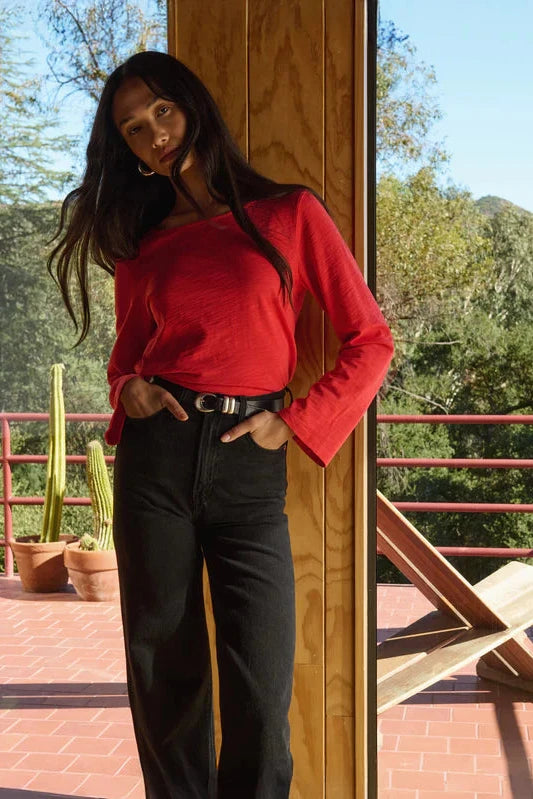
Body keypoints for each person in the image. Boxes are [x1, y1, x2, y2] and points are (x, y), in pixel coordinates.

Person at [47, 50, 394, 799]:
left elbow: (370, 340)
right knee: (164, 672)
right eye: (133, 130)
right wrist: (127, 388)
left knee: (260, 686)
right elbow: (127, 355)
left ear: (192, 106)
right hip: (157, 460)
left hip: (247, 463)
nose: (154, 135)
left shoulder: (287, 213)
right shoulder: (146, 242)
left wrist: (294, 424)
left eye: (162, 112)